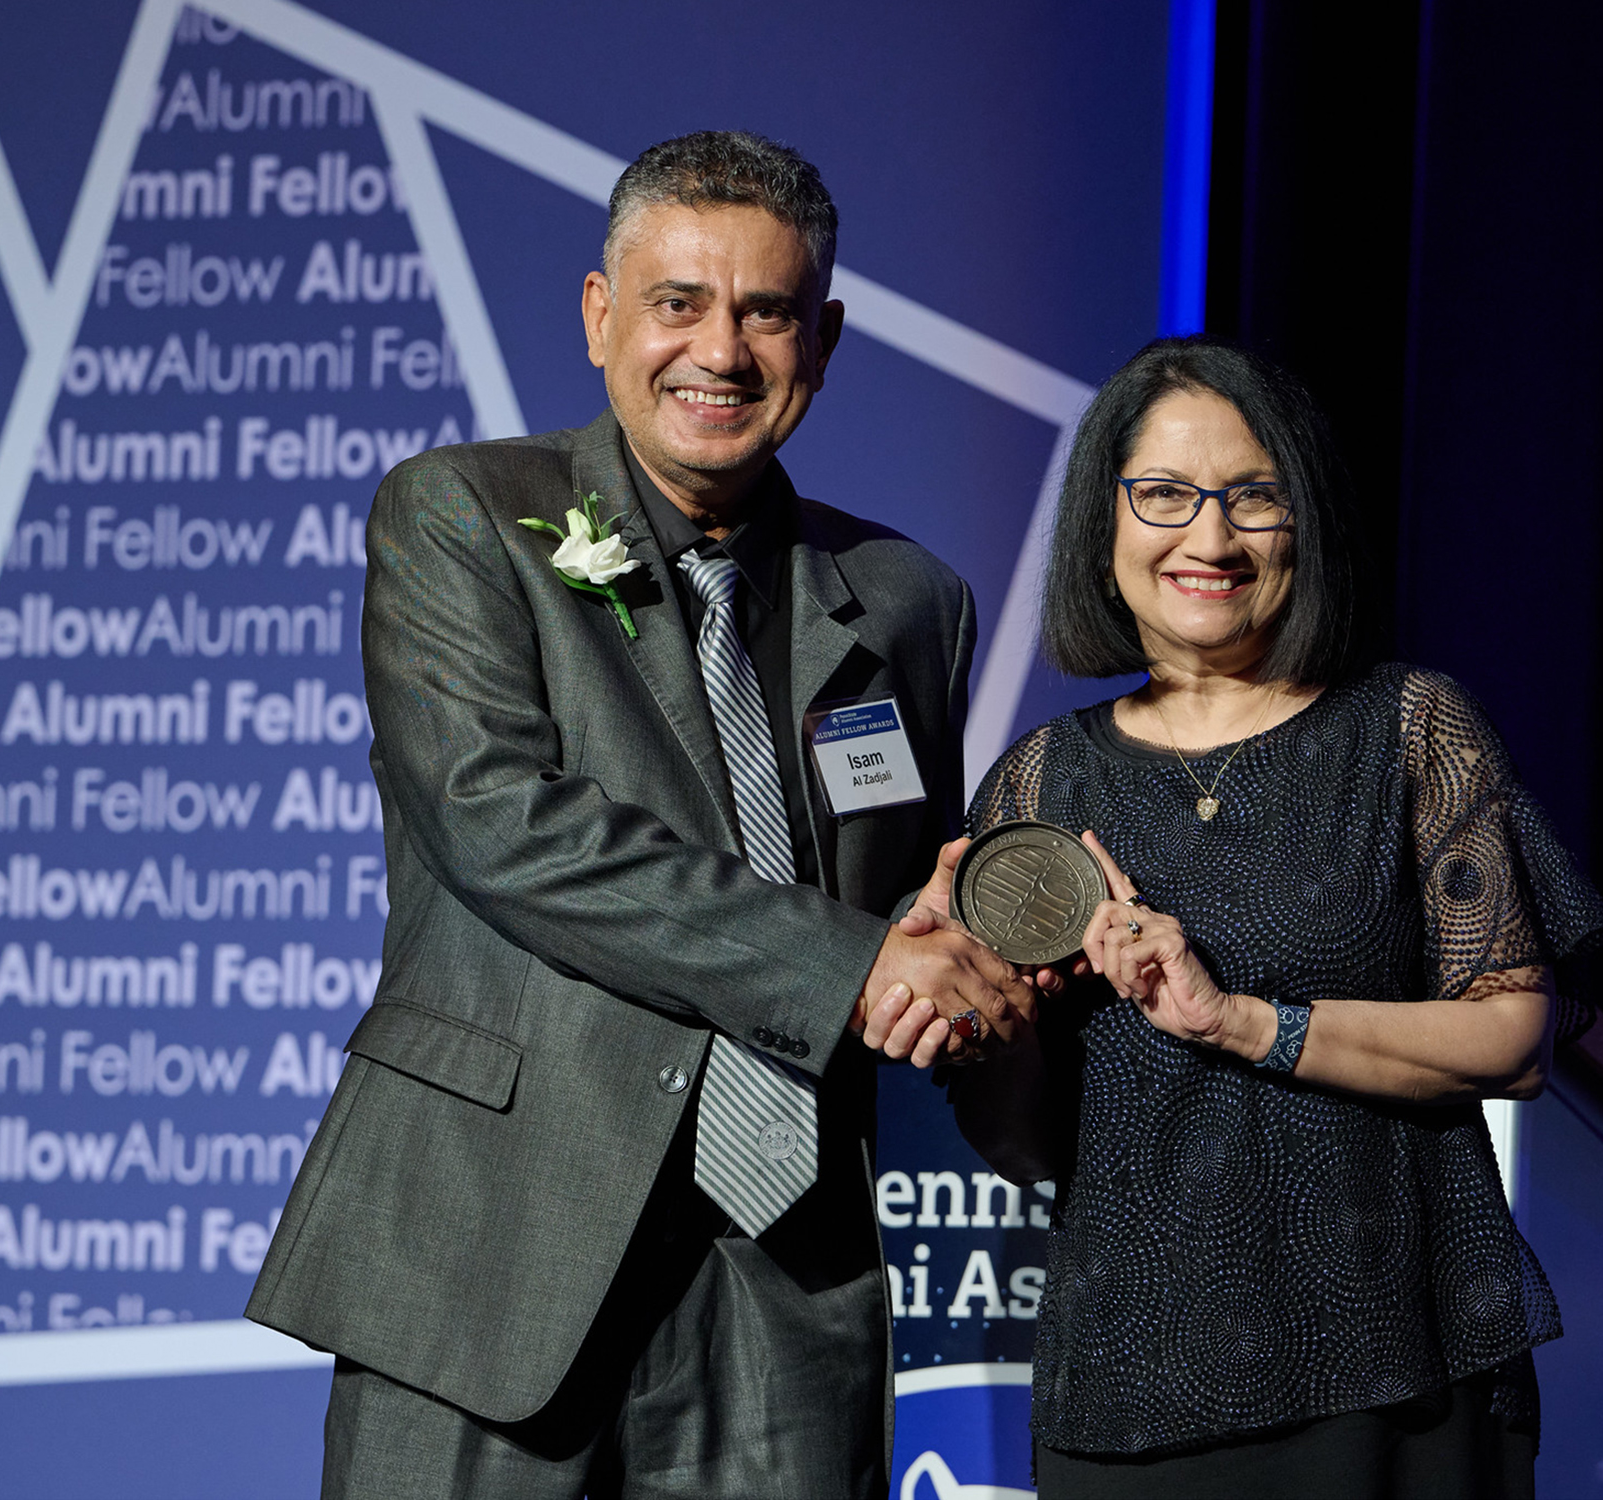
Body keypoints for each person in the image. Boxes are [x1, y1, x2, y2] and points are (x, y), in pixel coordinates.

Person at [247, 130, 1030, 1500]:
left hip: (790, 1280)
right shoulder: (464, 517)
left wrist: (975, 957)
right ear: (603, 316)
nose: (720, 351)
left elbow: (910, 892)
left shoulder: (908, 600)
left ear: (824, 339)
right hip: (493, 1252)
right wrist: (854, 969)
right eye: (679, 303)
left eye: (767, 311)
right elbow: (505, 825)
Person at [906, 338, 1603, 1498]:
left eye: (1253, 497)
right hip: (1125, 1386)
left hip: (1390, 1377)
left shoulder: (1407, 732)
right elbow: (1026, 1144)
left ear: (1305, 522)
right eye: (1165, 496)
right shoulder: (1038, 786)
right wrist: (987, 1015)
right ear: (1104, 520)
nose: (1210, 538)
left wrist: (1239, 1021)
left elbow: (1510, 1037)